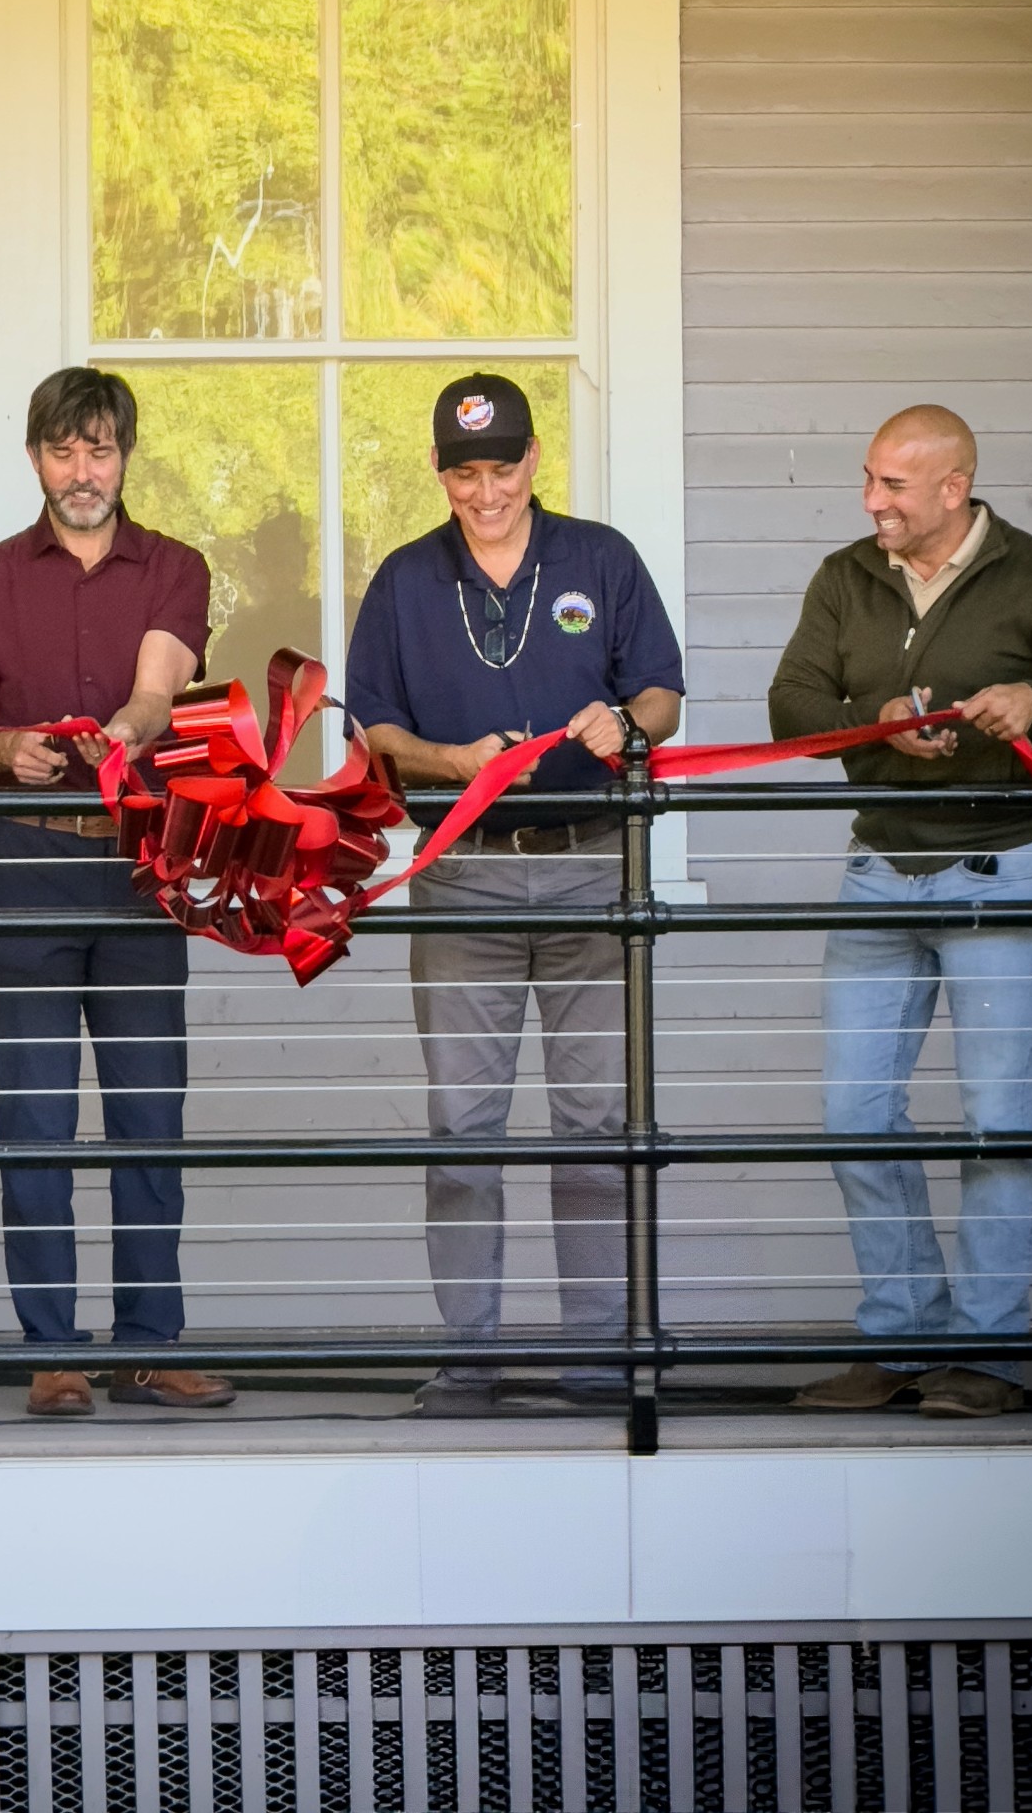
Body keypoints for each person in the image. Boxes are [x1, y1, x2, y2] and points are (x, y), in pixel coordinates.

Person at [771, 404, 1032, 1420]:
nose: (870, 501)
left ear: (952, 485)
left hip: (1002, 869)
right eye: (869, 478)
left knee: (996, 1124)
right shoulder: (846, 577)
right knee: (853, 1116)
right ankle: (902, 1338)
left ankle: (985, 1357)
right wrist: (877, 722)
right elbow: (790, 706)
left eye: (892, 484)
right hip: (879, 869)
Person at [345, 373, 685, 1417]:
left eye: (502, 467)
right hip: (463, 873)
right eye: (464, 471)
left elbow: (665, 694)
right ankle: (469, 1359)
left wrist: (624, 726)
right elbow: (372, 733)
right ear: (440, 471)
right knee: (464, 1126)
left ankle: (597, 1359)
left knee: (593, 1122)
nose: (484, 491)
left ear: (535, 460)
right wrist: (450, 757)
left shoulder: (601, 558)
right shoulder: (406, 579)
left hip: (590, 863)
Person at [0, 365, 234, 1420]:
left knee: (149, 1109)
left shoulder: (175, 568)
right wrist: (3, 748)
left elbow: (156, 691)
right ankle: (53, 1351)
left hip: (141, 862)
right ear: (35, 458)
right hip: (22, 860)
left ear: (125, 457)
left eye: (100, 448)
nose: (82, 469)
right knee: (35, 1115)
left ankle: (152, 1344)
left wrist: (132, 728)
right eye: (63, 450)